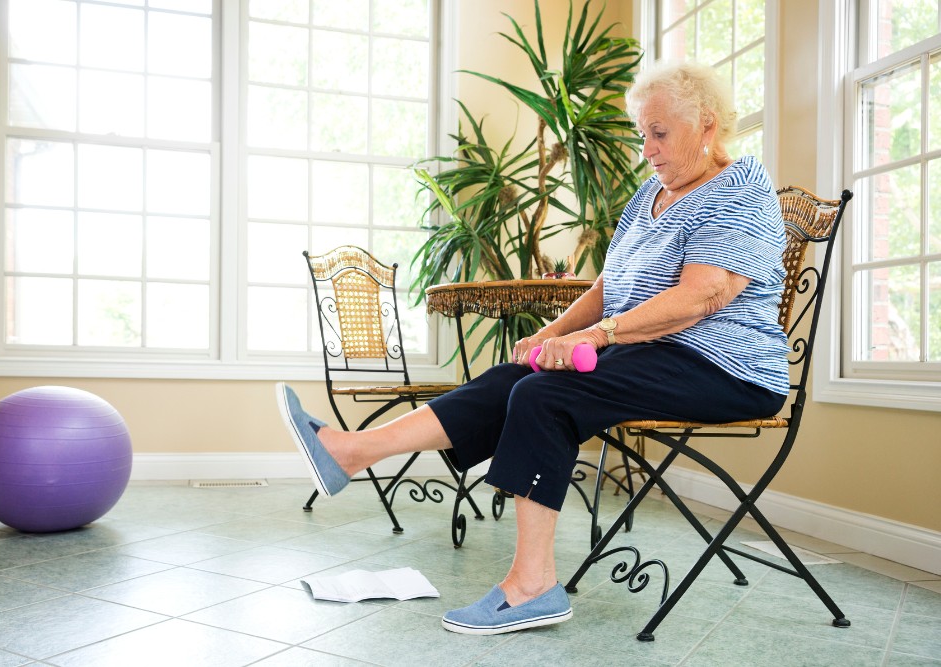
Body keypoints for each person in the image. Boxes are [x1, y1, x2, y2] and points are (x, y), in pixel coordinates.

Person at [276, 60, 789, 636]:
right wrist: (550, 336)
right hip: (648, 355)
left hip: (725, 366)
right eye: (640, 133)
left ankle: (532, 586)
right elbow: (606, 287)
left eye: (660, 133)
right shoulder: (651, 193)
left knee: (545, 397)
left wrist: (596, 338)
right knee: (512, 378)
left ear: (707, 126)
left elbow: (703, 296)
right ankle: (350, 452)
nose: (646, 148)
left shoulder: (741, 187)